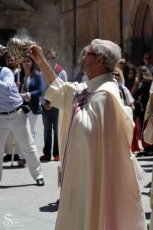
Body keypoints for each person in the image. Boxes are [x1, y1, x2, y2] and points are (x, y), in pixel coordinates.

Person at [30, 39, 147, 230]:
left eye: (88, 54)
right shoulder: (90, 88)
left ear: (99, 60)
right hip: (81, 174)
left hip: (93, 177)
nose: (83, 58)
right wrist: (41, 62)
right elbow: (64, 92)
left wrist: (74, 107)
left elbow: (89, 133)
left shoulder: (106, 95)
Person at [0, 66, 44, 186]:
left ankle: (38, 175)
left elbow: (8, 88)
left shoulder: (5, 72)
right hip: (1, 117)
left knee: (28, 146)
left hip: (16, 114)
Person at [14, 54, 43, 167]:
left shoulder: (37, 75)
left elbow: (40, 91)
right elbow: (11, 90)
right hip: (19, 106)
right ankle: (24, 156)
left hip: (32, 107)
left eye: (29, 61)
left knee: (29, 132)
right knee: (22, 132)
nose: (26, 63)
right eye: (24, 61)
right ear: (21, 63)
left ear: (32, 63)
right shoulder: (17, 75)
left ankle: (27, 157)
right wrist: (15, 87)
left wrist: (26, 95)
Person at [40, 49, 67, 162]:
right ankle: (46, 153)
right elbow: (41, 89)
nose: (51, 60)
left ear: (56, 58)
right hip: (46, 103)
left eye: (53, 58)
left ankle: (57, 153)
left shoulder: (62, 72)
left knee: (57, 130)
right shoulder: (42, 72)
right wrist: (44, 103)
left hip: (57, 104)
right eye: (49, 58)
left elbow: (64, 89)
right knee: (47, 130)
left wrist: (57, 102)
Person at [3, 54, 20, 162]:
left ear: (15, 61)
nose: (10, 62)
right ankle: (9, 154)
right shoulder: (4, 72)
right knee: (8, 134)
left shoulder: (19, 73)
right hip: (6, 106)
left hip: (17, 105)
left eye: (12, 60)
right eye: (8, 60)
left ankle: (17, 154)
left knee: (16, 133)